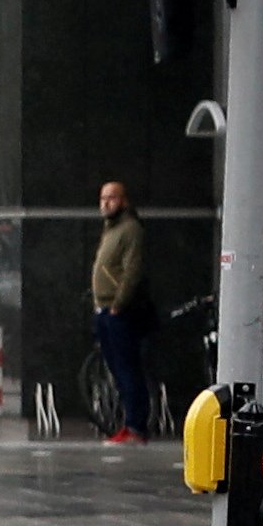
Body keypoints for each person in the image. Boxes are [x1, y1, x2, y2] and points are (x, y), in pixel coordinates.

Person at [89, 180, 154, 445]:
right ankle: (129, 425)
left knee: (128, 370)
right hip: (104, 309)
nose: (106, 203)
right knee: (118, 369)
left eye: (112, 198)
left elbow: (132, 271)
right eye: (103, 198)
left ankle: (136, 427)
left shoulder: (129, 230)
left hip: (119, 312)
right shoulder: (110, 230)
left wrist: (118, 304)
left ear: (124, 201)